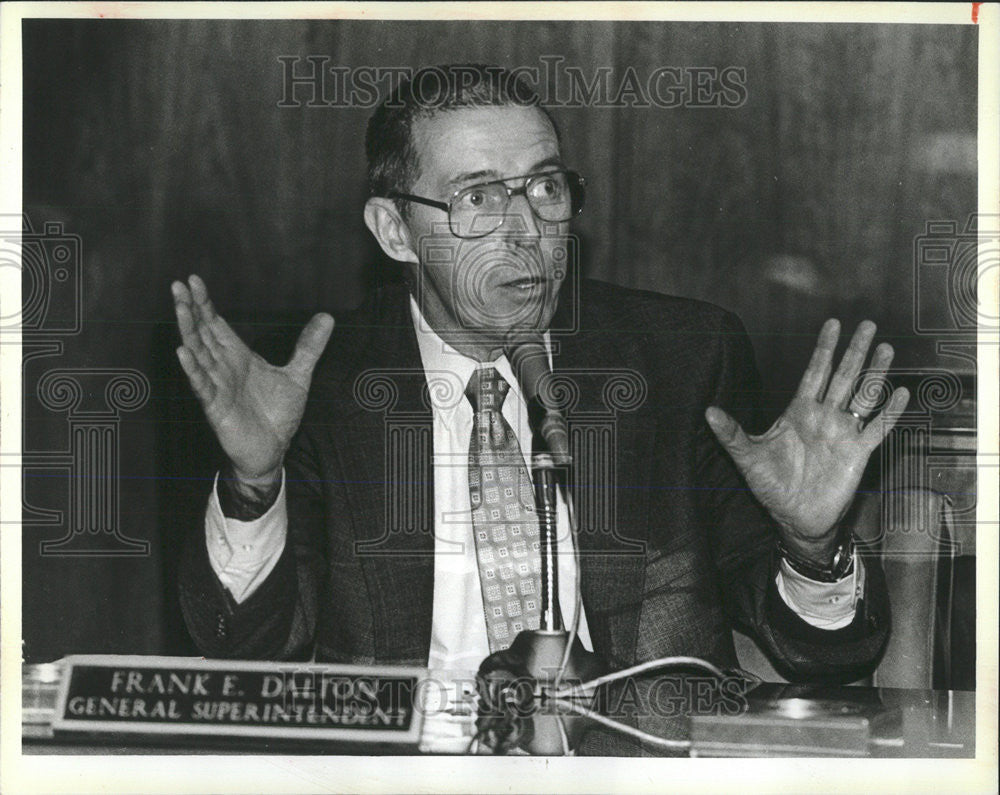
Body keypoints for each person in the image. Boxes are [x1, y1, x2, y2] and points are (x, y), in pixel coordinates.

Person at [173, 65, 908, 687]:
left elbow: (823, 656)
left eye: (546, 188)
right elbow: (243, 654)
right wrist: (253, 485)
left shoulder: (681, 357)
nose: (526, 231)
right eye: (478, 198)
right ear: (394, 230)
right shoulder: (318, 384)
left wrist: (813, 547)